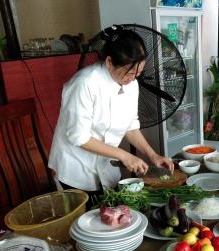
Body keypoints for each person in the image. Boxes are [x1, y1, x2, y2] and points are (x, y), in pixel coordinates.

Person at [49, 26, 173, 197]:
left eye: (138, 72)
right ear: (109, 62)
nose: (133, 78)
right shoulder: (84, 83)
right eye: (129, 73)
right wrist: (124, 155)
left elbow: (130, 125)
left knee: (110, 215)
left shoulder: (132, 84)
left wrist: (153, 155)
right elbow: (79, 136)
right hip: (75, 167)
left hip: (106, 166)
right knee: (85, 220)